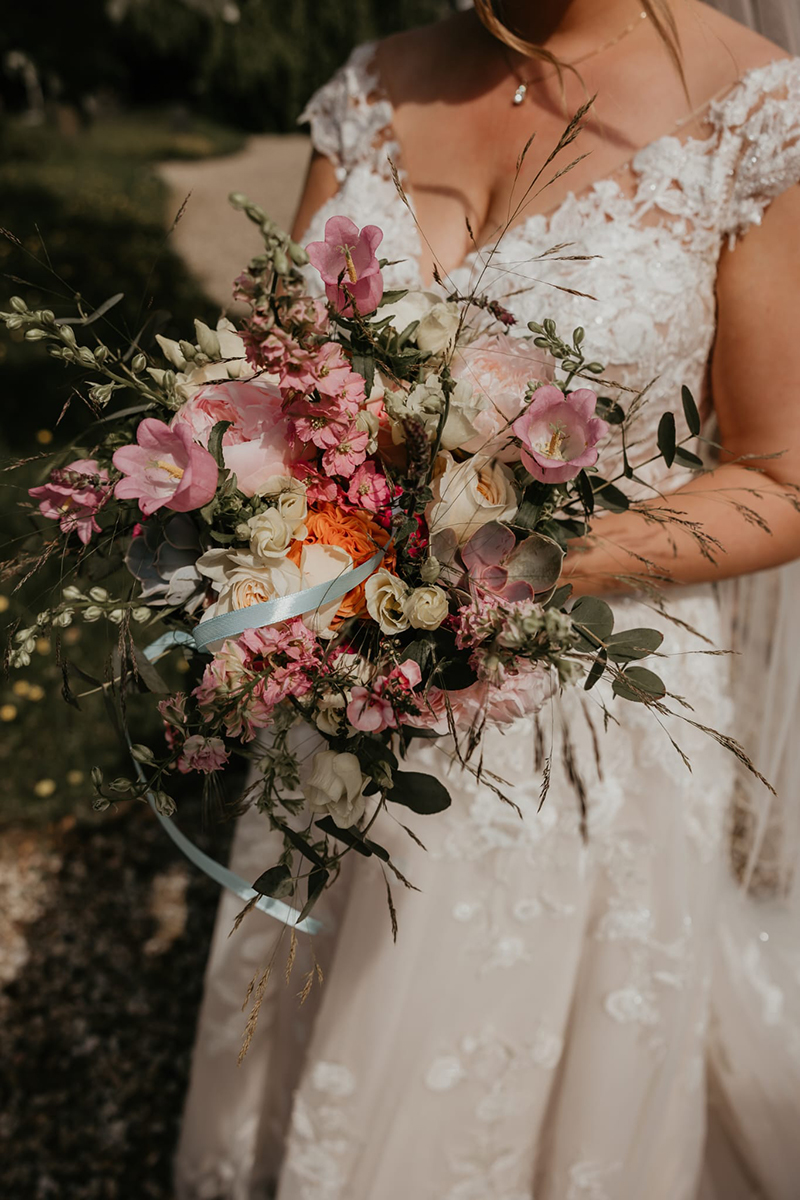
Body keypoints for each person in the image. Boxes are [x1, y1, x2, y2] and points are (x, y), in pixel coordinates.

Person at [175, 3, 800, 1197]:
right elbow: (271, 383)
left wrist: (514, 560)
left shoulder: (753, 110)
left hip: (579, 716)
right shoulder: (373, 85)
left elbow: (779, 480)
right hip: (344, 687)